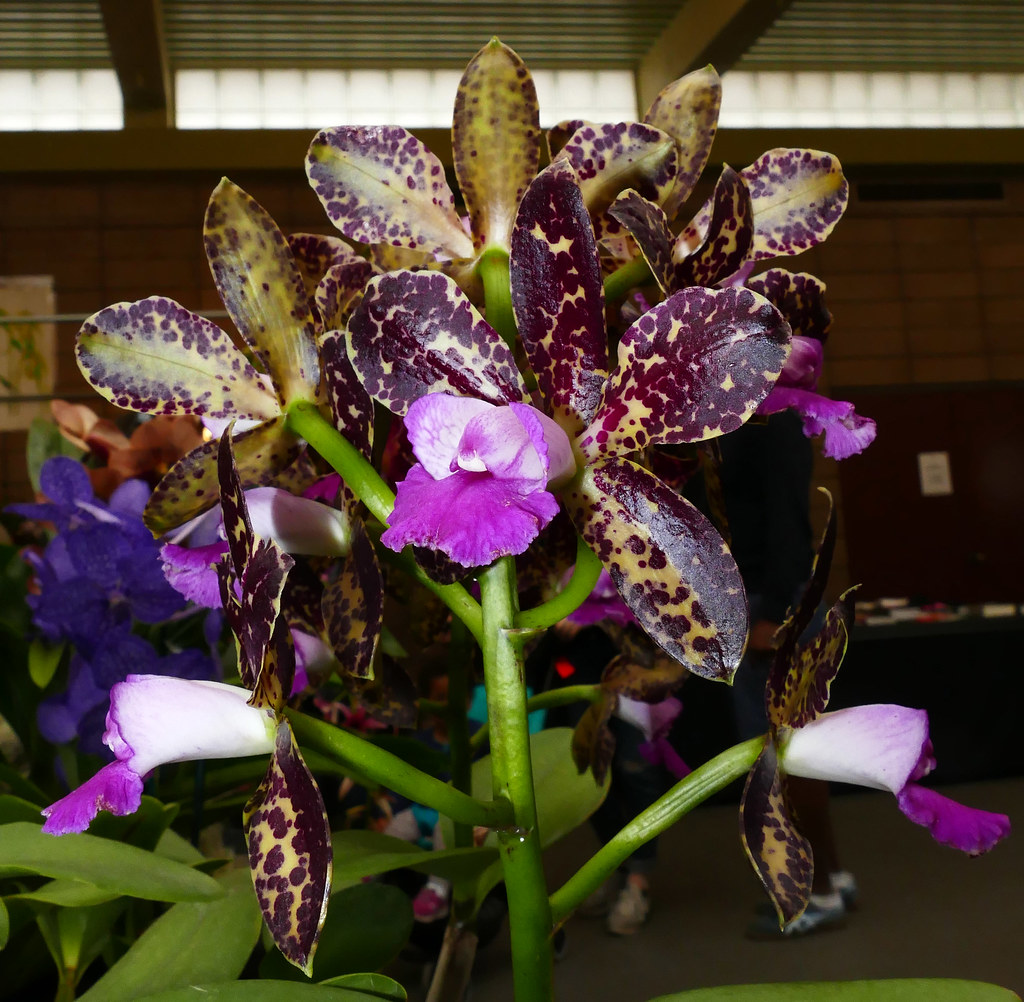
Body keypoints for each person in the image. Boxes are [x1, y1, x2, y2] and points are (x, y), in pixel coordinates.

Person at [692, 412, 857, 937]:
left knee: (781, 762)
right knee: (787, 757)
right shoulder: (720, 423)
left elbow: (792, 520)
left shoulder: (771, 422)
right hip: (750, 600)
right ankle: (833, 877)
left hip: (775, 605)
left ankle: (813, 894)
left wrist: (779, 615)